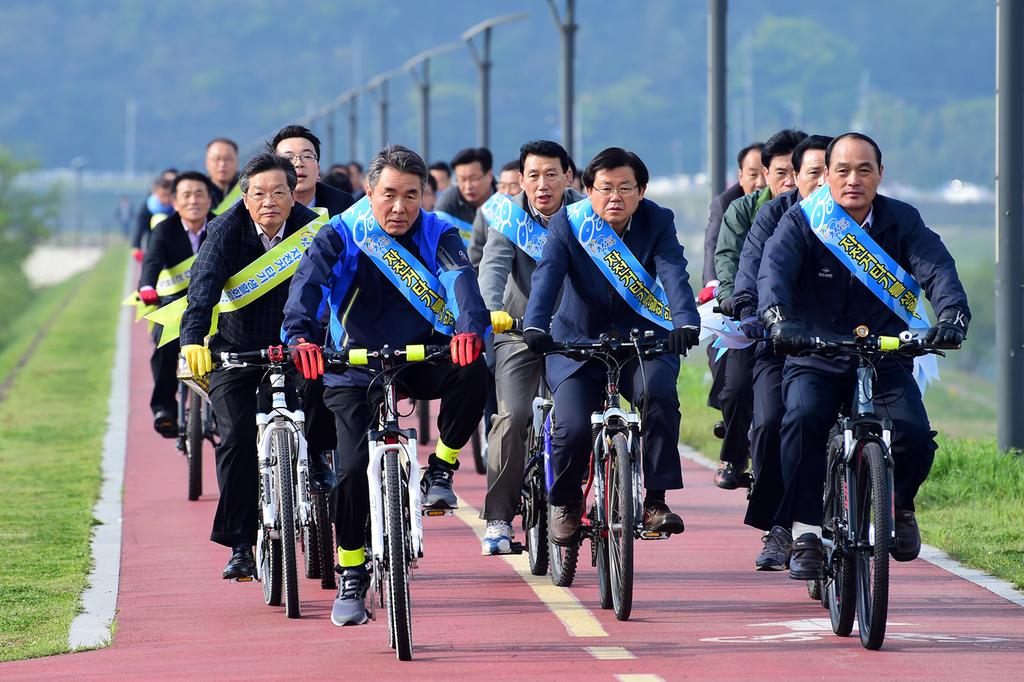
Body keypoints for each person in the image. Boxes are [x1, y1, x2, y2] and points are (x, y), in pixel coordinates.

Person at [282, 144, 489, 626]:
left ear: (425, 196)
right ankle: (352, 571)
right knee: (352, 468)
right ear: (369, 191)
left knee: (475, 369)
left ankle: (441, 469)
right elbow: (307, 286)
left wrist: (468, 330)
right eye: (389, 194)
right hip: (354, 364)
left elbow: (463, 285)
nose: (399, 207)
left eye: (411, 196)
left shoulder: (439, 233)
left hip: (420, 356)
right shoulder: (340, 232)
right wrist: (299, 337)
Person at [758, 132, 971, 579]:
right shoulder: (802, 220)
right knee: (801, 422)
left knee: (913, 434)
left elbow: (936, 268)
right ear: (826, 175)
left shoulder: (901, 219)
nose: (853, 180)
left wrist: (952, 314)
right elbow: (774, 273)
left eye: (864, 170)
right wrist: (779, 319)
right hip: (815, 354)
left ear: (880, 174)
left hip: (884, 355)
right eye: (843, 170)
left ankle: (900, 506)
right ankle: (806, 532)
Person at [523, 147, 701, 545]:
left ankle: (655, 500)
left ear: (641, 191)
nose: (615, 197)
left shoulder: (658, 220)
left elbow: (674, 272)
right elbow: (547, 277)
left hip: (643, 340)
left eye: (625, 187)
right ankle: (567, 501)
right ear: (588, 191)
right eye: (605, 188)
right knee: (571, 427)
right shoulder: (568, 224)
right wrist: (535, 324)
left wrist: (685, 322)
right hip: (576, 343)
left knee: (659, 396)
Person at [178, 153, 336, 581]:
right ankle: (241, 545)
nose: (270, 201)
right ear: (245, 198)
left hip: (301, 343)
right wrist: (193, 340)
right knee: (235, 438)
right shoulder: (224, 231)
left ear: (293, 195)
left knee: (328, 392)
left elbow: (337, 286)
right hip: (238, 349)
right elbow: (202, 290)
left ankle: (317, 459)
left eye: (279, 192)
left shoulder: (314, 230)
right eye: (259, 194)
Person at [730, 134, 832, 569]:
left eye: (833, 171)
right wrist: (751, 313)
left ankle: (887, 507)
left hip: (846, 345)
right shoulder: (777, 215)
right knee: (772, 421)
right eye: (814, 173)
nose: (825, 182)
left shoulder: (869, 217)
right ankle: (779, 526)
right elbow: (753, 275)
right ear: (796, 175)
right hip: (781, 343)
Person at [476, 140, 583, 554]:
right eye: (534, 175)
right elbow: (493, 266)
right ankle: (499, 518)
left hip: (573, 333)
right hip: (517, 329)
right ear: (520, 179)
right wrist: (490, 311)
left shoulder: (586, 214)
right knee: (513, 415)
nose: (543, 184)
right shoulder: (509, 216)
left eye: (552, 174)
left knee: (582, 416)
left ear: (568, 177)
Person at [712, 130, 806, 490]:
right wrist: (734, 299)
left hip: (805, 320)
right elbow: (730, 260)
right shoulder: (745, 210)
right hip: (752, 317)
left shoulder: (825, 213)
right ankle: (735, 457)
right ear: (765, 173)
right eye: (781, 172)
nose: (790, 181)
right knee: (737, 387)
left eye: (797, 172)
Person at [138, 171, 215, 437]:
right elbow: (152, 262)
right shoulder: (164, 229)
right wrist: (146, 287)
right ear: (175, 202)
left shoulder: (222, 226)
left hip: (215, 303)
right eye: (186, 195)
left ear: (210, 199)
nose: (193, 200)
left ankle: (221, 408)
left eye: (199, 194)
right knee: (164, 345)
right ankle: (165, 408)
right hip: (174, 304)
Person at [270, 124, 354, 217]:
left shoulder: (342, 205)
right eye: (288, 158)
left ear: (318, 169)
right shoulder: (264, 206)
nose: (298, 164)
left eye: (307, 156)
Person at [436, 147, 495, 260]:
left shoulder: (501, 200)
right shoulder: (448, 201)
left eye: (474, 179)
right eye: (462, 180)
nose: (468, 186)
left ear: (489, 175)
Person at [130, 170, 176, 260]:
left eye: (169, 195)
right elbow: (140, 228)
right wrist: (135, 247)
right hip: (153, 245)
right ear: (155, 194)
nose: (167, 199)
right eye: (163, 195)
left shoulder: (176, 206)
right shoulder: (148, 206)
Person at [205, 138, 239, 209]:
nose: (222, 164)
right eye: (217, 159)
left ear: (237, 162)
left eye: (228, 159)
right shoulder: (200, 191)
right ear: (207, 163)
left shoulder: (248, 187)